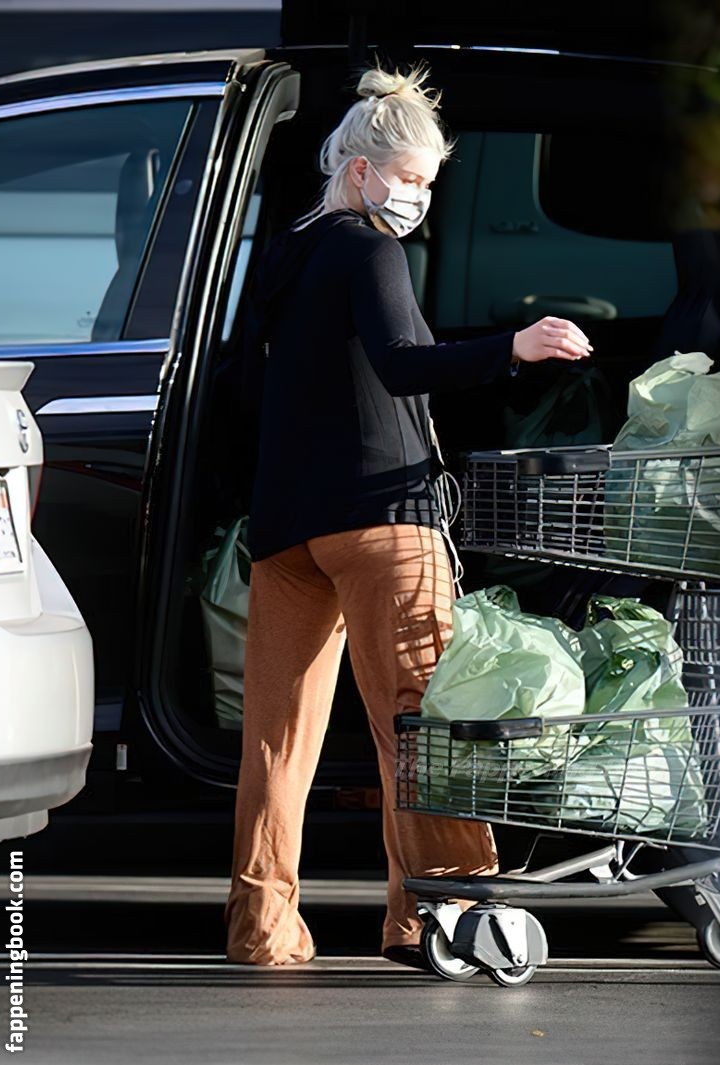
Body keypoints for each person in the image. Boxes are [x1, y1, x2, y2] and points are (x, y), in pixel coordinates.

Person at [222, 63, 592, 968]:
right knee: (424, 728)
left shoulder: (285, 252)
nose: (419, 197)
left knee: (277, 740)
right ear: (361, 170)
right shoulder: (369, 250)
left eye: (428, 181)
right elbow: (400, 363)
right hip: (384, 518)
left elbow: (249, 385)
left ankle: (262, 929)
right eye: (411, 178)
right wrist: (515, 345)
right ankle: (440, 916)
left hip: (288, 529)